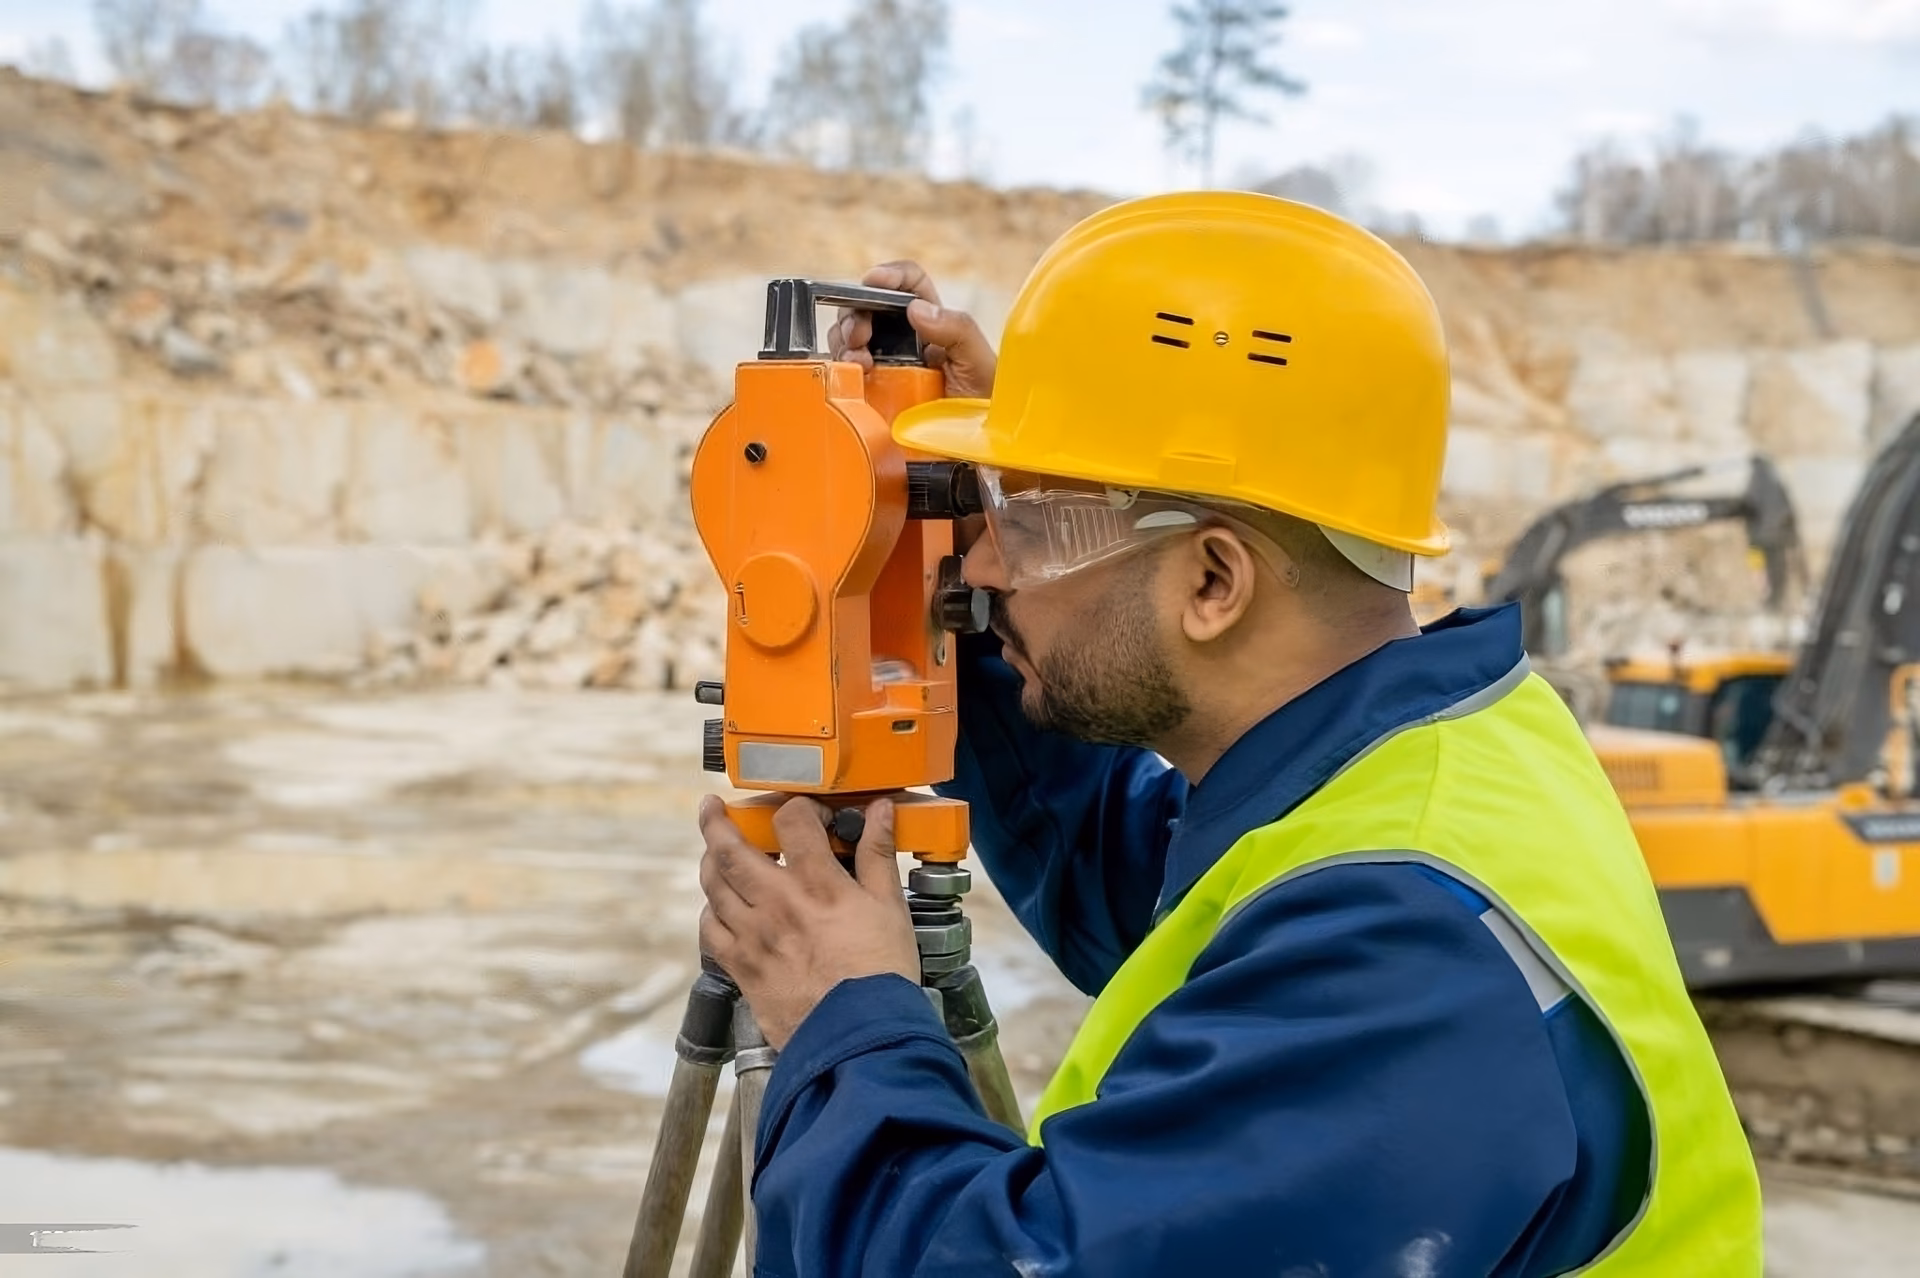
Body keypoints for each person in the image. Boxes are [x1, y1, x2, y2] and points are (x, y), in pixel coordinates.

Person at [694, 192, 1762, 1276]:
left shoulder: (1398, 952)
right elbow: (1135, 885)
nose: (979, 565)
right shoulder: (1430, 760)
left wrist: (847, 1024)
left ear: (1214, 581)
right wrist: (942, 564)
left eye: (1029, 526)